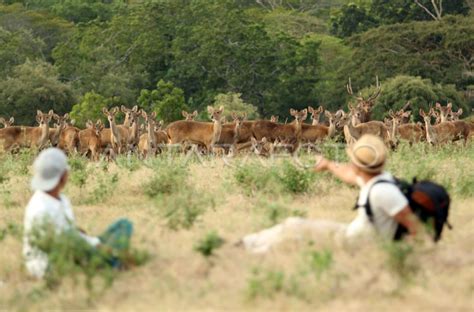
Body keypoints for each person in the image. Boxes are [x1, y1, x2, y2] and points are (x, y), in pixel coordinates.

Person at [242, 134, 420, 253]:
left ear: (359, 166)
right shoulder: (377, 179)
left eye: (353, 161)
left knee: (295, 228)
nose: (351, 165)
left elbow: (416, 229)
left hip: (353, 244)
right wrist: (327, 165)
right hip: (350, 236)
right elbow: (349, 175)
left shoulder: (383, 192)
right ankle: (247, 243)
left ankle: (248, 250)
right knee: (292, 224)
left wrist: (394, 257)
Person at [23, 148, 133, 278]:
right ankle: (112, 261)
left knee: (123, 225)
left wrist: (89, 240)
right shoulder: (40, 207)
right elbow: (66, 241)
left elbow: (72, 233)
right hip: (52, 262)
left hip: (74, 246)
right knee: (106, 253)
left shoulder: (61, 199)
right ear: (62, 176)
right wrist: (96, 246)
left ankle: (110, 259)